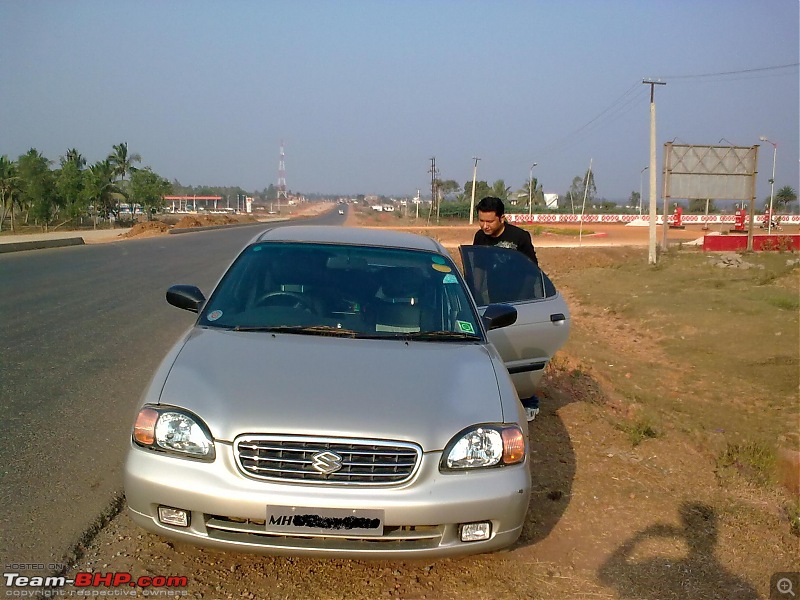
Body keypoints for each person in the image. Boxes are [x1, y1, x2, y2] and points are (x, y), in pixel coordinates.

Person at [472, 196, 541, 422]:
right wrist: (474, 293)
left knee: (520, 351)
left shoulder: (519, 238)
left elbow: (531, 271)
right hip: (493, 300)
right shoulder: (480, 237)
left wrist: (520, 303)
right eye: (481, 221)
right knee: (497, 348)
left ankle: (529, 400)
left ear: (502, 218)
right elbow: (479, 270)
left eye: (490, 221)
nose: (485, 226)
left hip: (519, 301)